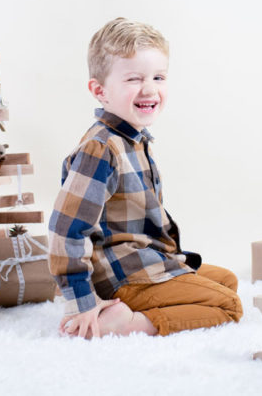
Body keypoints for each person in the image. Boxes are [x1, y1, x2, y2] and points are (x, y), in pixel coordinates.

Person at [48, 17, 243, 338]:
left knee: (226, 281)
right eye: (134, 79)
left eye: (158, 77)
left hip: (144, 260)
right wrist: (80, 301)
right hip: (121, 272)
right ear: (100, 91)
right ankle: (127, 323)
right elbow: (65, 230)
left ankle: (138, 304)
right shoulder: (101, 148)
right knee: (229, 305)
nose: (149, 88)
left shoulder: (134, 139)